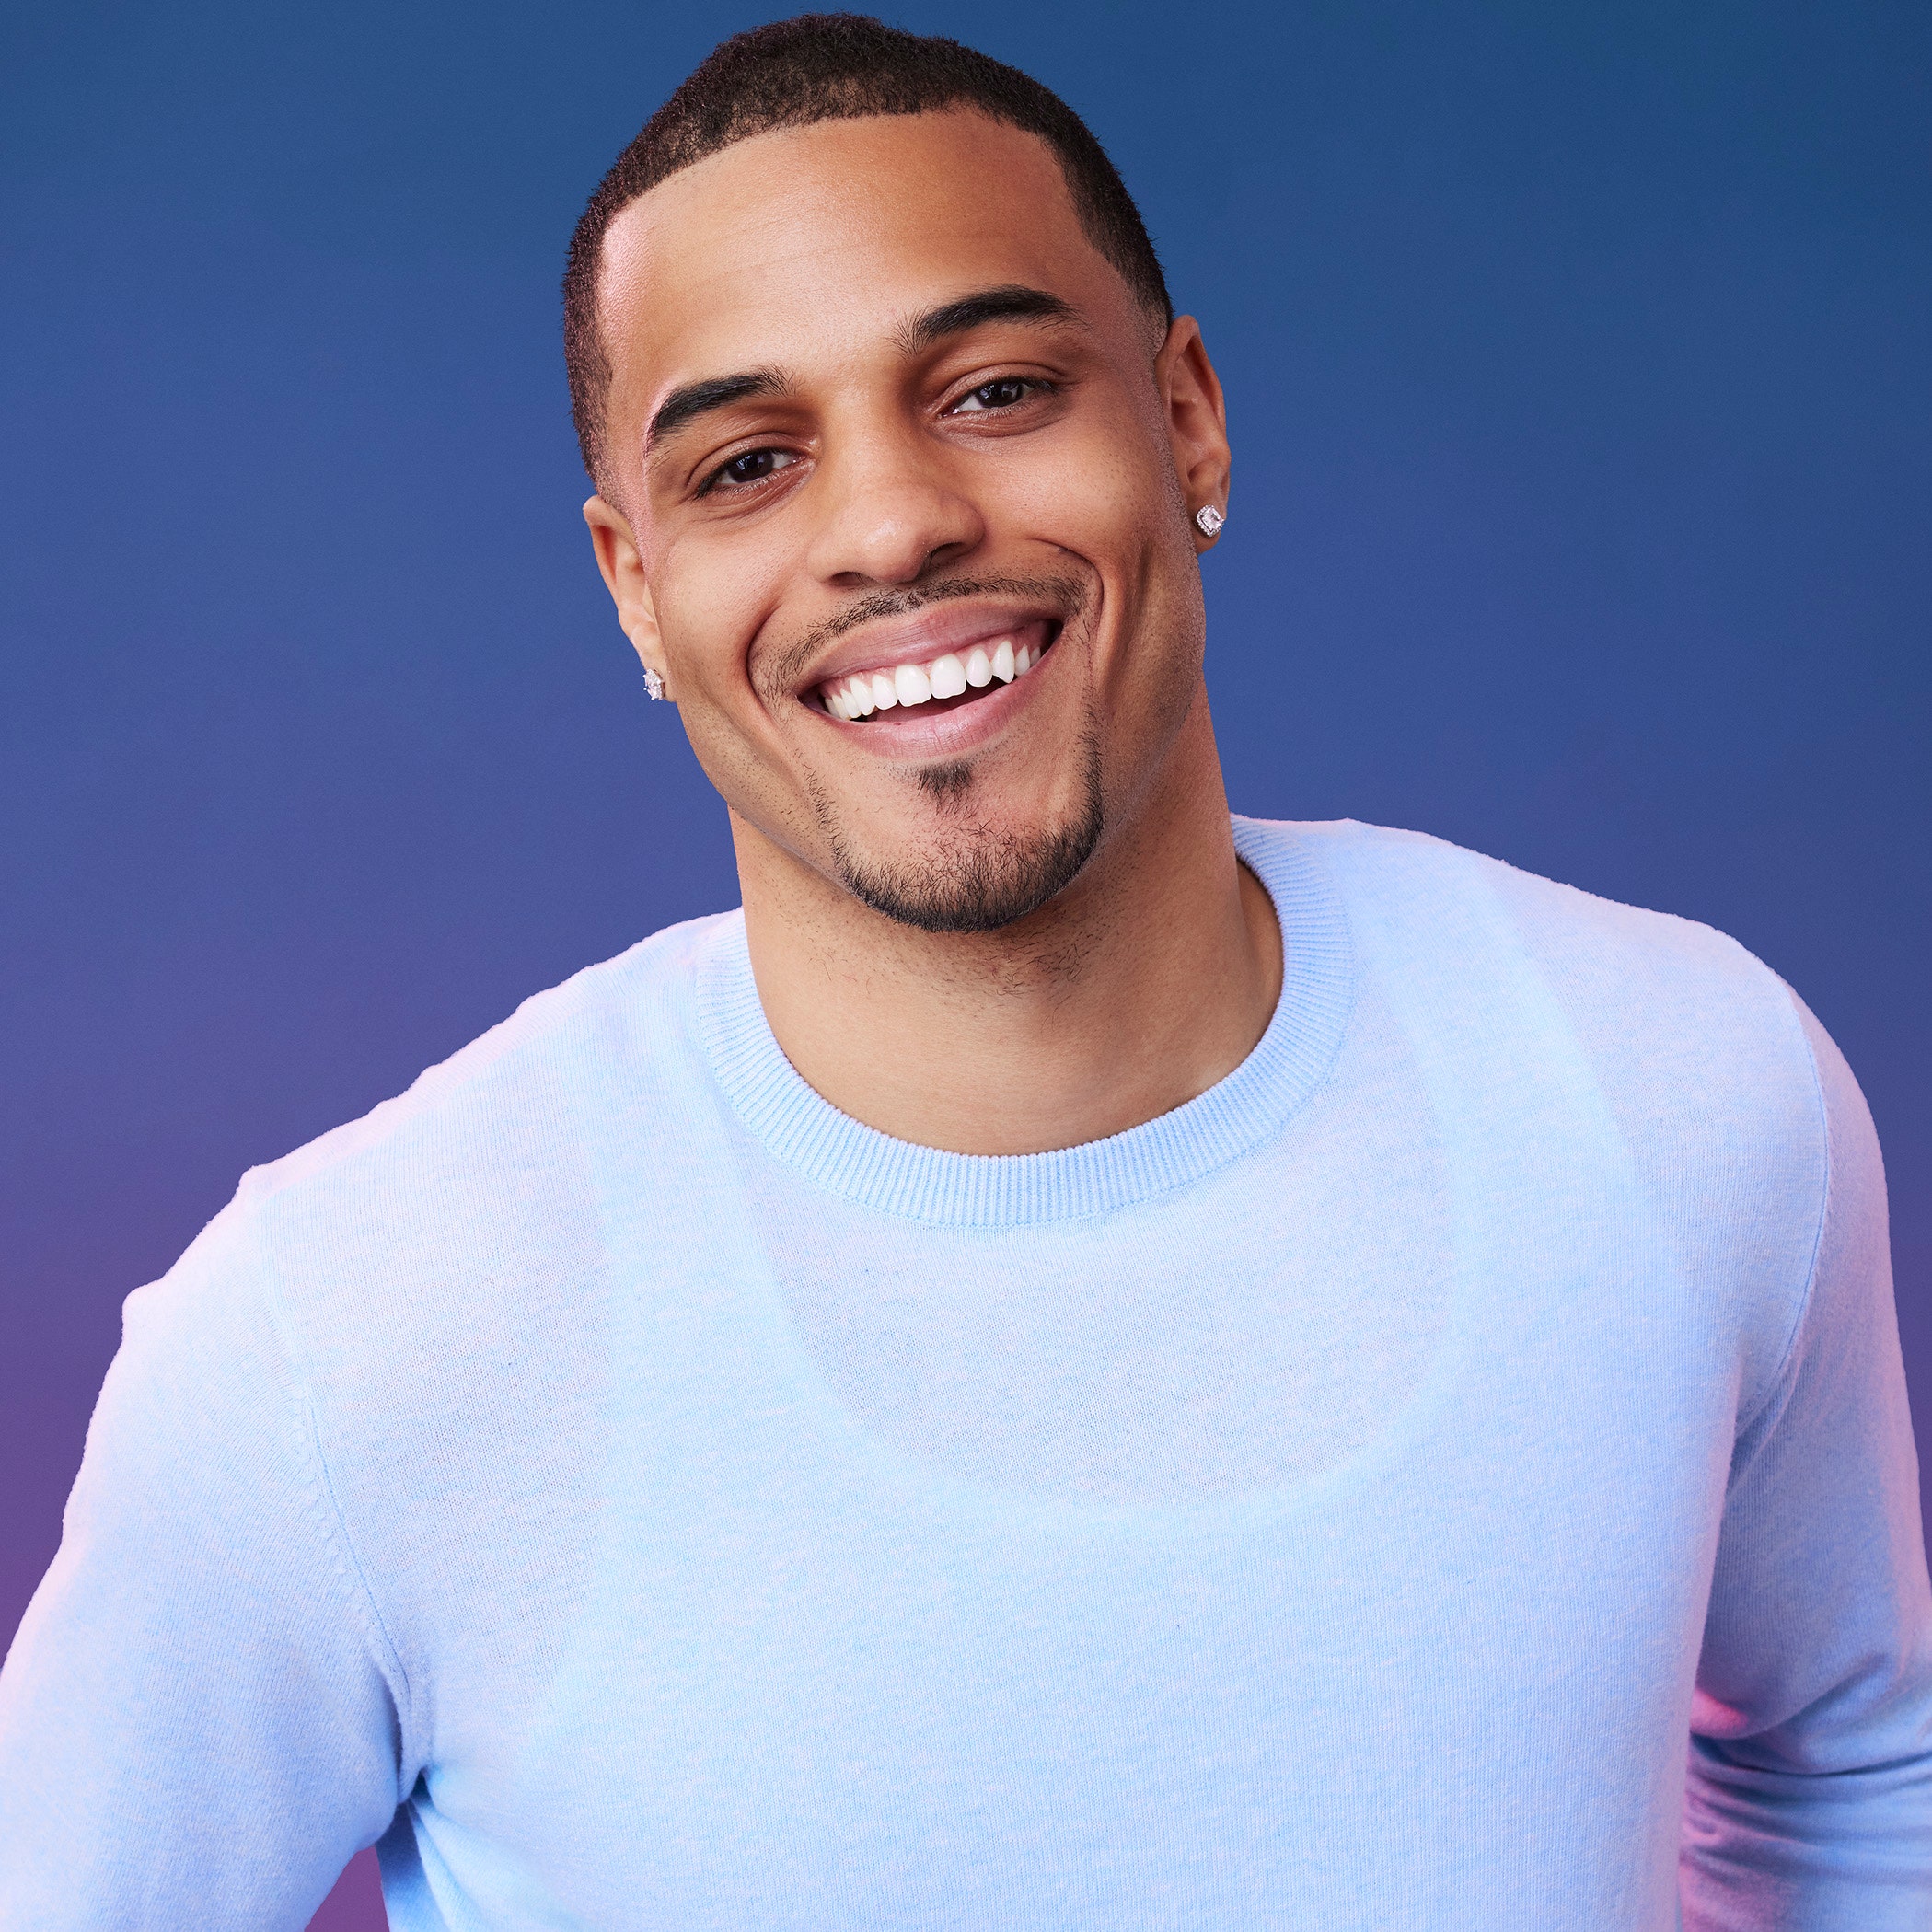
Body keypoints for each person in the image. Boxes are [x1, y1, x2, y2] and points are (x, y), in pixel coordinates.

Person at [3, 14, 1927, 1927]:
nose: (892, 524)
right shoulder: (342, 1341)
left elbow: (1859, 1778)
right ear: (635, 589)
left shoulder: (1678, 1093)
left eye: (996, 391)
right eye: (748, 463)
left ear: (1187, 420)